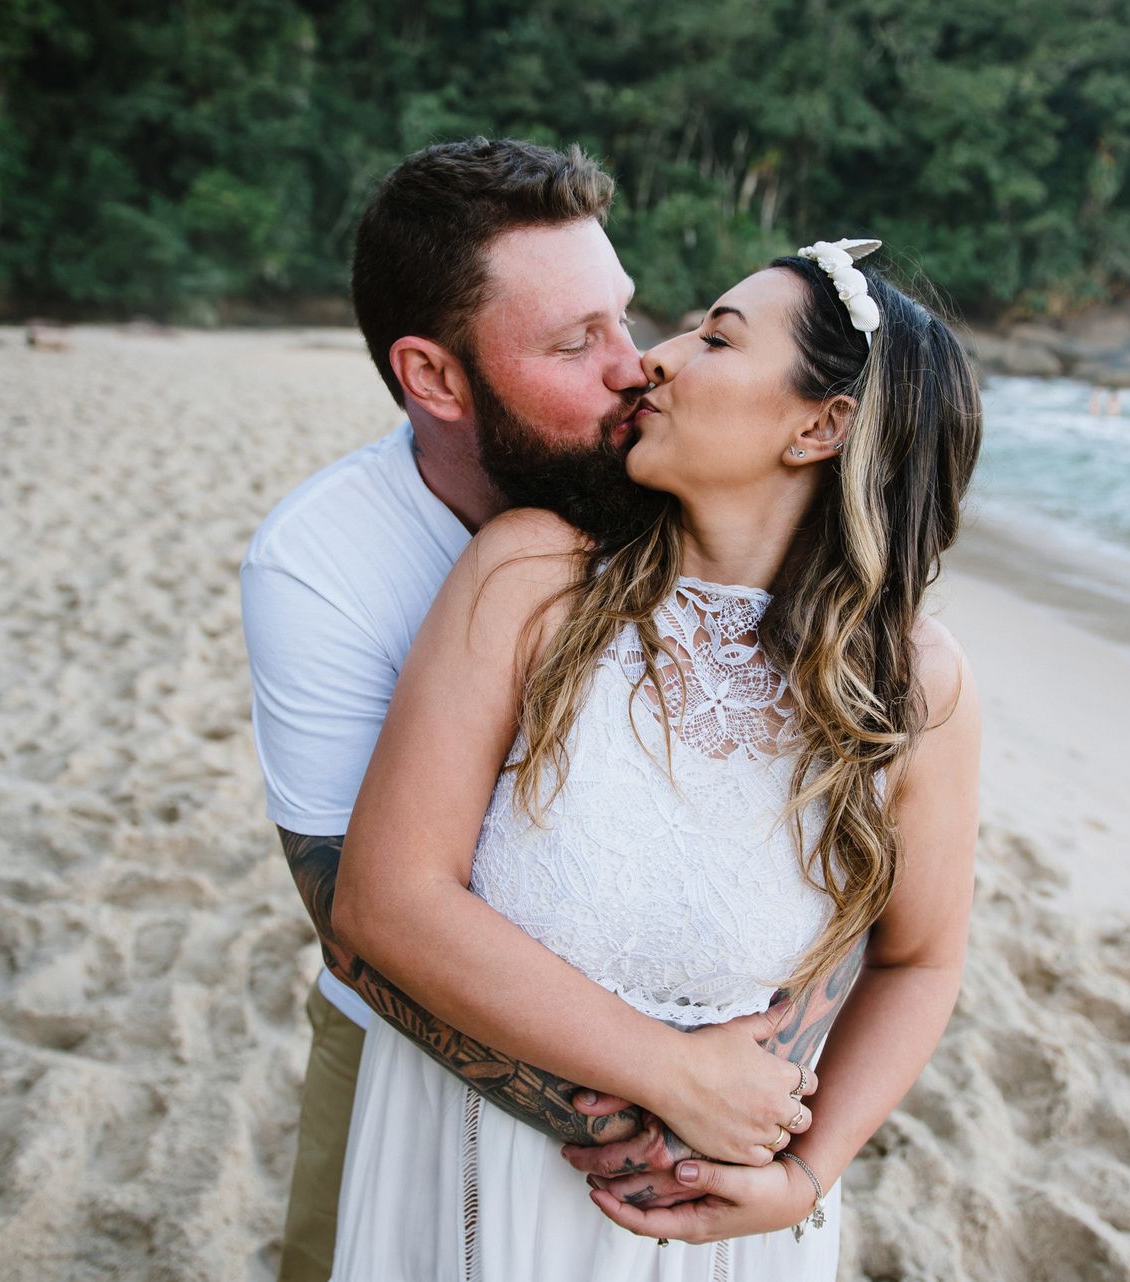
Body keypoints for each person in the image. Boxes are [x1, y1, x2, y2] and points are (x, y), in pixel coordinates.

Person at [241, 138, 854, 1282]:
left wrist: (756, 1107)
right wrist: (660, 1104)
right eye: (577, 342)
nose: (636, 367)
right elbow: (358, 920)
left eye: (626, 317)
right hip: (414, 1060)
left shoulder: (664, 482)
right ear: (434, 378)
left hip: (714, 1085)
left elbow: (830, 816)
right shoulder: (322, 562)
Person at [329, 239, 985, 1278]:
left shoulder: (910, 685)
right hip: (477, 1171)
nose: (655, 360)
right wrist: (674, 1073)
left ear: (822, 426)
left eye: (717, 339)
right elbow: (384, 899)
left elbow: (920, 959)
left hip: (719, 1228)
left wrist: (802, 1178)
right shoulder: (533, 577)